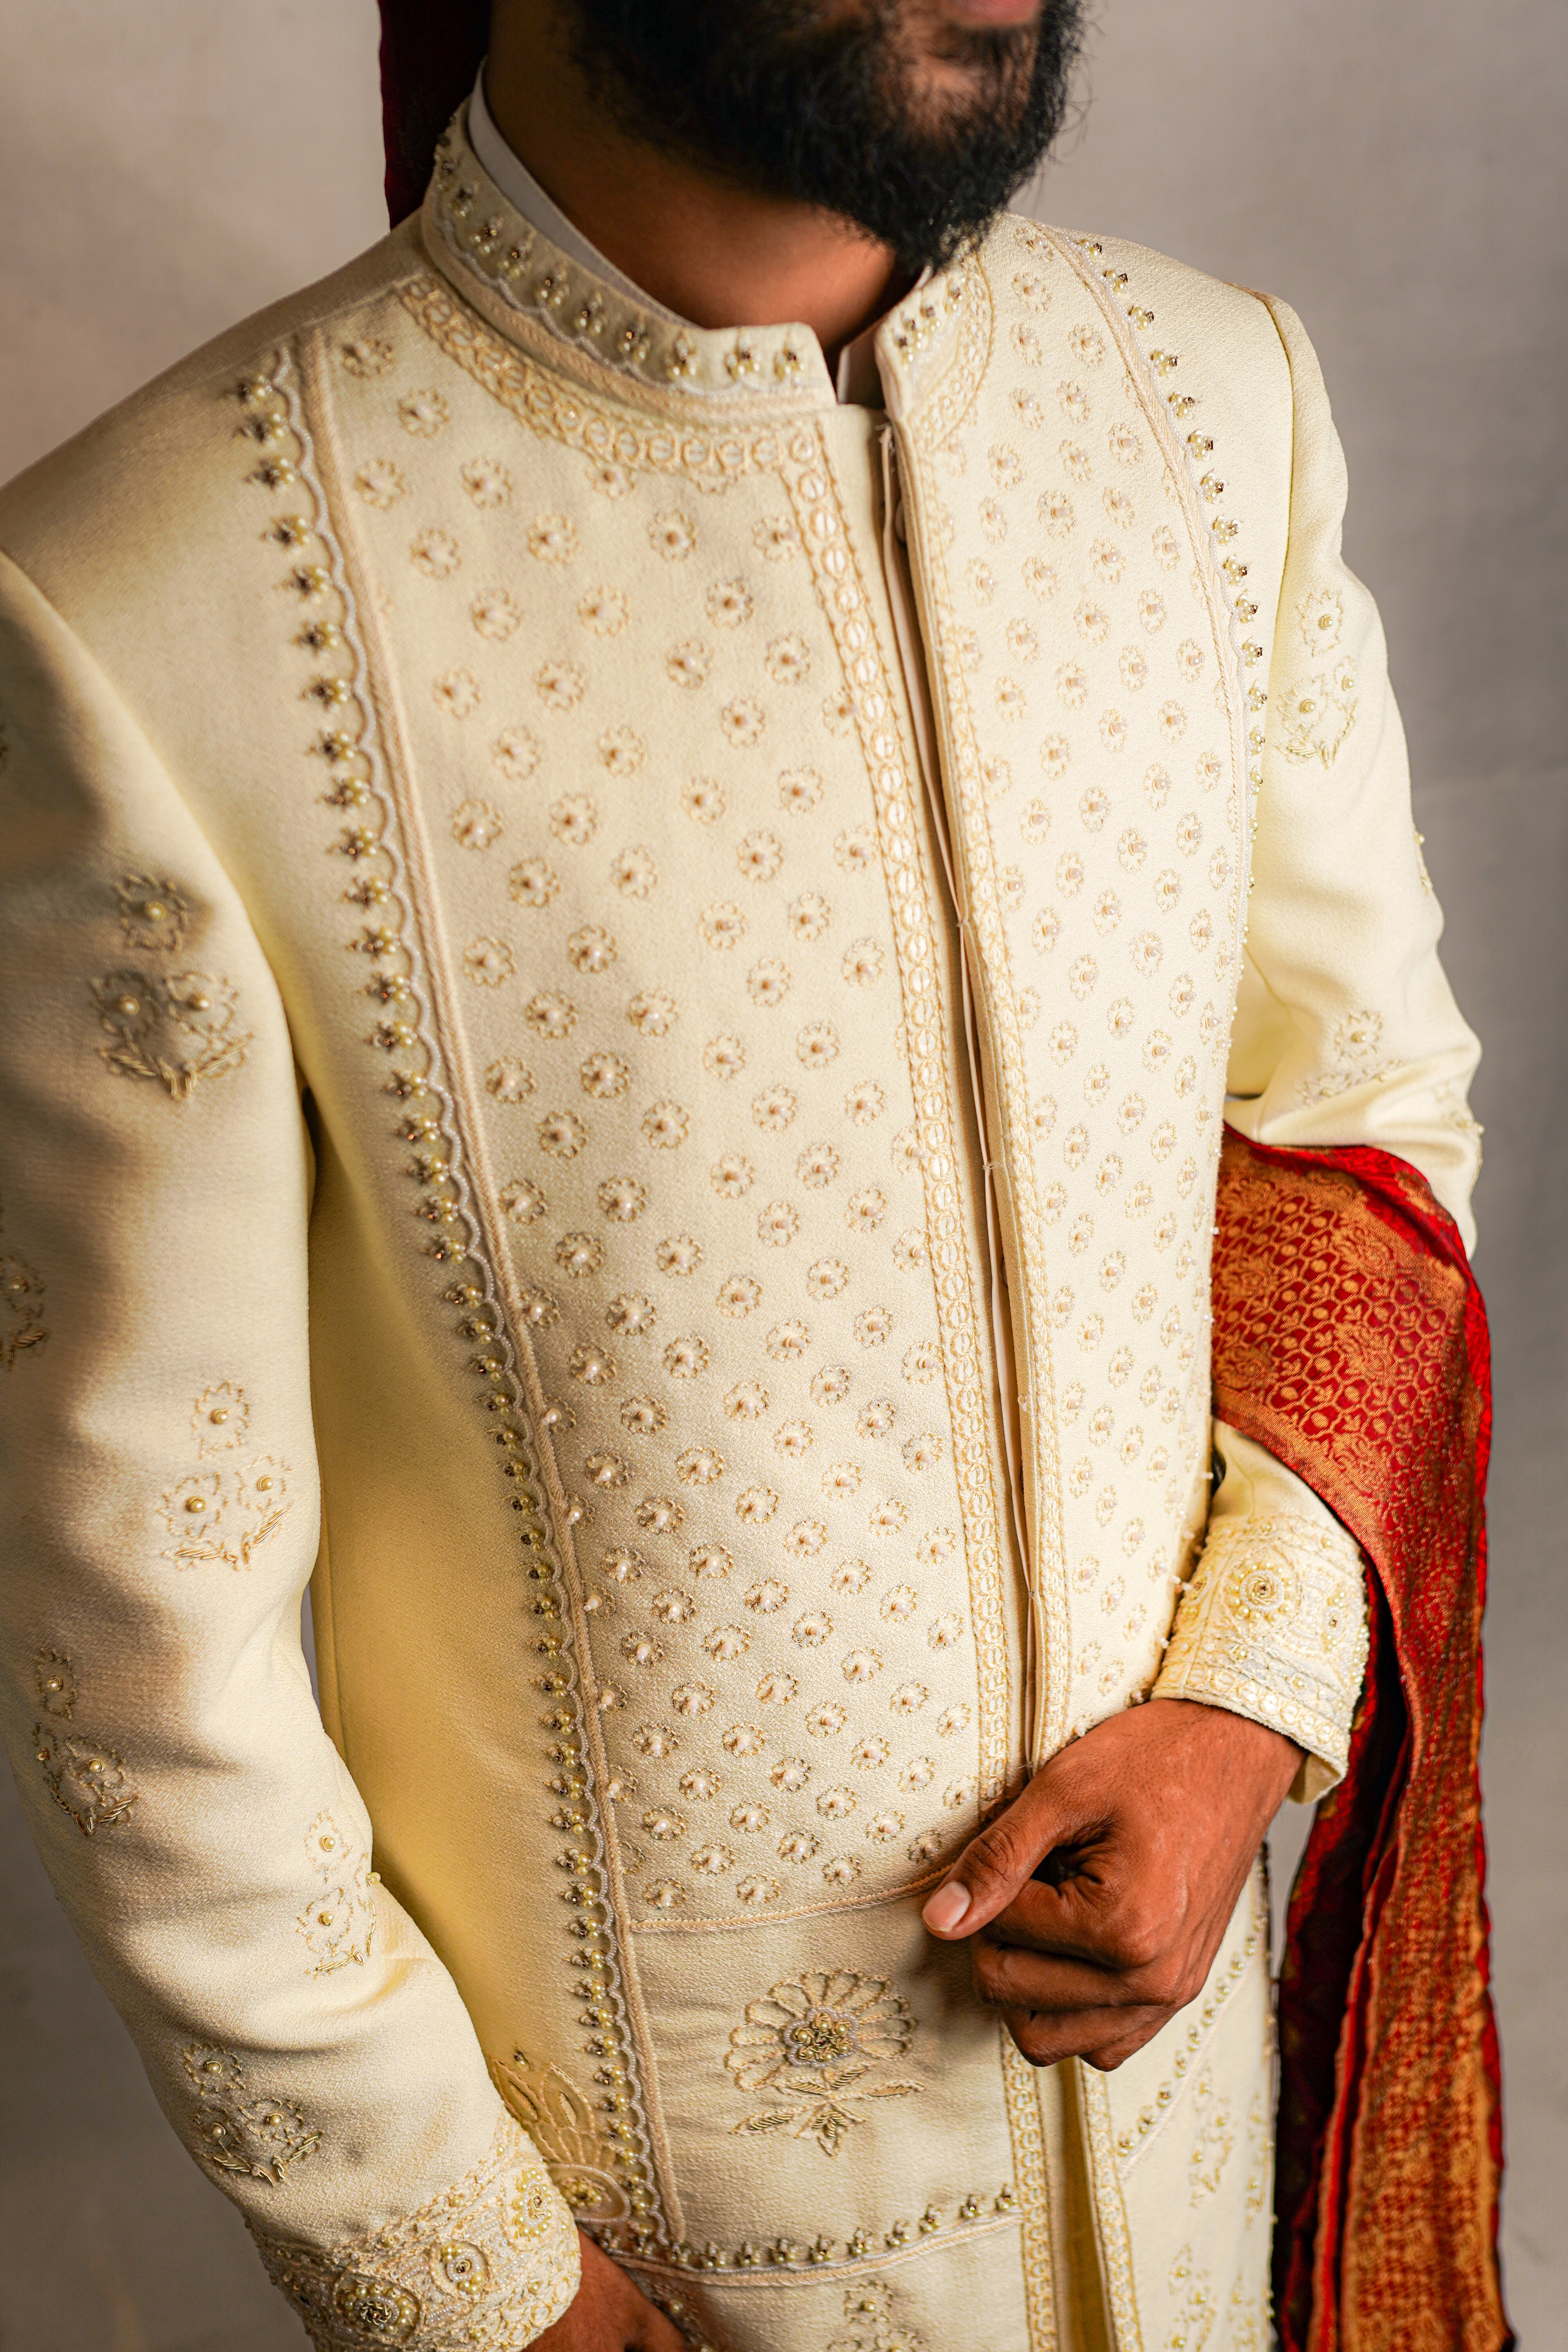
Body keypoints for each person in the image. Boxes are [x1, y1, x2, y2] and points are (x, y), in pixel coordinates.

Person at [0, 3, 1510, 2347]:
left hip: (1201, 2178)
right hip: (665, 2266)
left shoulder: (1211, 408)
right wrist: (486, 2292)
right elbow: (137, 1634)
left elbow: (1356, 1123)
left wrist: (1251, 1703)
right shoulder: (151, 595)